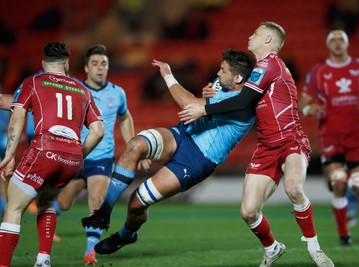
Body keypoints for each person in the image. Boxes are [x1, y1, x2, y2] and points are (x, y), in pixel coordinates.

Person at [178, 22, 334, 267]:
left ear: (268, 41)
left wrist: (204, 109)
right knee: (248, 211)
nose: (250, 35)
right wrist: (214, 91)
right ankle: (272, 248)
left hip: (291, 138)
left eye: (256, 34)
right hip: (266, 145)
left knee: (294, 188)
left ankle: (315, 248)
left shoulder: (270, 63)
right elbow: (236, 88)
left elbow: (243, 100)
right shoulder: (257, 73)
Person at [80, 50, 255, 257]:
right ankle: (104, 212)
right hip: (182, 134)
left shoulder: (242, 104)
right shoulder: (222, 82)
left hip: (197, 159)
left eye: (223, 70)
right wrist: (208, 93)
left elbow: (188, 104)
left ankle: (127, 235)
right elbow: (205, 98)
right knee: (136, 145)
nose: (218, 72)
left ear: (238, 78)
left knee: (136, 202)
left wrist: (167, 75)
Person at [0, 42, 104, 267]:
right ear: (67, 64)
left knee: (13, 207)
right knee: (46, 202)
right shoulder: (82, 89)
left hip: (44, 151)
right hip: (72, 159)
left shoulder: (34, 82)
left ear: (43, 64)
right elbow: (98, 131)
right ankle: (43, 259)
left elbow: (18, 117)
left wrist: (9, 154)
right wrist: (79, 154)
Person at [55, 44, 140, 265]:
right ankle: (52, 213)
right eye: (95, 64)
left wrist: (133, 144)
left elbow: (125, 116)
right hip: (76, 156)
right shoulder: (74, 90)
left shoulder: (117, 93)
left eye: (104, 64)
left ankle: (90, 251)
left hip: (102, 158)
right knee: (63, 203)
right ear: (86, 68)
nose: (100, 68)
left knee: (96, 200)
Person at [299, 30, 359, 245]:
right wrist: (311, 109)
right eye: (333, 40)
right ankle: (344, 233)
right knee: (339, 182)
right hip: (331, 136)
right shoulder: (319, 71)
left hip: (356, 136)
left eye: (341, 40)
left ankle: (349, 194)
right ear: (328, 45)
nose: (337, 43)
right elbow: (303, 104)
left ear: (347, 43)